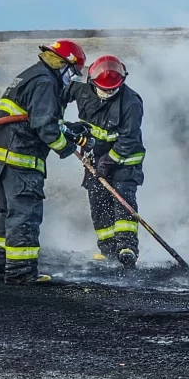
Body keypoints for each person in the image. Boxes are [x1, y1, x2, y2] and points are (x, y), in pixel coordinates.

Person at [0, 39, 88, 285]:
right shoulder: (45, 82)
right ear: (65, 66)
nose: (71, 80)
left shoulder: (31, 74)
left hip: (1, 159)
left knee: (8, 212)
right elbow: (44, 126)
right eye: (73, 74)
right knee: (25, 214)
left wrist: (67, 128)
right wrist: (67, 146)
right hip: (20, 160)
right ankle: (21, 271)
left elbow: (34, 117)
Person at [60, 54, 146, 269]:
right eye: (104, 89)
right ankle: (107, 250)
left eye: (112, 89)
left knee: (123, 202)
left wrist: (107, 163)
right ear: (92, 82)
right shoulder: (81, 90)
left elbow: (128, 139)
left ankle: (126, 250)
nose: (108, 93)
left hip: (125, 161)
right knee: (98, 203)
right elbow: (58, 94)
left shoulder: (131, 102)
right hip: (94, 158)